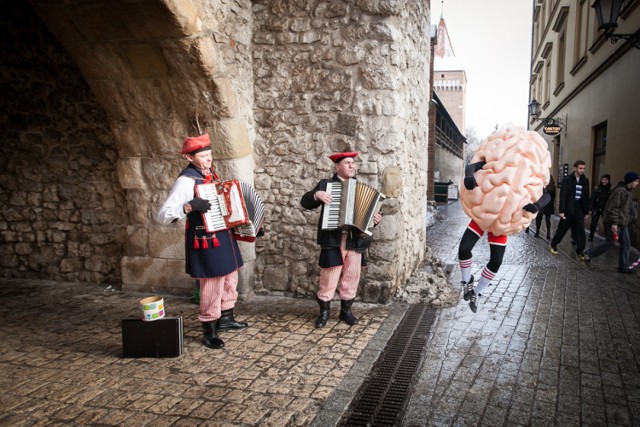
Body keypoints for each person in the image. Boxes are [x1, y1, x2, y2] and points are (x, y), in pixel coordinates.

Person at [158, 133, 248, 350]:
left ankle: (225, 319)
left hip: (223, 235)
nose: (209, 159)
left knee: (230, 278)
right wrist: (189, 206)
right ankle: (209, 331)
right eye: (203, 156)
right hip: (206, 240)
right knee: (212, 284)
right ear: (190, 158)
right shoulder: (186, 181)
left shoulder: (210, 174)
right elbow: (163, 215)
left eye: (210, 155)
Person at [458, 127, 551, 313]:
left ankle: (478, 292)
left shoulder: (533, 166)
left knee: (496, 261)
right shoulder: (495, 156)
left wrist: (537, 205)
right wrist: (469, 176)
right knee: (464, 249)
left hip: (505, 222)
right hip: (484, 210)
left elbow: (547, 194)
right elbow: (473, 165)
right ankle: (466, 280)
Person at [300, 152, 382, 328]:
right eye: (347, 163)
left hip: (354, 242)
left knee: (352, 277)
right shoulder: (325, 185)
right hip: (332, 239)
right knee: (329, 277)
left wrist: (375, 219)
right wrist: (317, 195)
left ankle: (346, 312)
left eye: (353, 163)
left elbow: (368, 219)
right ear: (337, 166)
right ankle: (324, 313)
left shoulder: (359, 187)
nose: (352, 166)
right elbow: (305, 203)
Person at [584, 171, 639, 274]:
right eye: (636, 181)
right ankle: (588, 253)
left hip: (622, 223)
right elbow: (613, 208)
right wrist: (614, 224)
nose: (637, 183)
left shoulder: (627, 191)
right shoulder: (620, 191)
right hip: (614, 222)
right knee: (610, 242)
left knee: (626, 243)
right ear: (630, 181)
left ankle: (623, 266)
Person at [549, 160, 590, 259]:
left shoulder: (585, 180)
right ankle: (553, 244)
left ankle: (580, 251)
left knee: (580, 232)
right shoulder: (568, 179)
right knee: (562, 229)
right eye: (580, 168)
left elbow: (586, 196)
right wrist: (561, 211)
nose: (582, 170)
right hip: (568, 209)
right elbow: (563, 195)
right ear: (575, 168)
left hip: (579, 210)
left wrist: (586, 211)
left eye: (583, 168)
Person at [588, 174, 611, 241]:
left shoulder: (610, 190)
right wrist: (590, 209)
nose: (604, 181)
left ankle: (608, 237)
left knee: (606, 223)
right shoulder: (596, 188)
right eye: (603, 179)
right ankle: (591, 235)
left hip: (605, 209)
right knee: (593, 223)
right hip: (597, 208)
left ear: (608, 181)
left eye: (606, 180)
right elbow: (592, 199)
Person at [535, 175, 556, 239]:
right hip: (549, 206)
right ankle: (548, 233)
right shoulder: (553, 188)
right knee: (548, 220)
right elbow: (553, 198)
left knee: (538, 219)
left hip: (542, 205)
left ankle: (537, 232)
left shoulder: (542, 188)